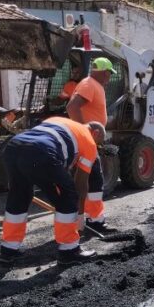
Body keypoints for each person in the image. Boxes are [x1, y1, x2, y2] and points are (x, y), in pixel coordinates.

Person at [0, 117, 105, 266]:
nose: (97, 146)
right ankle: (69, 250)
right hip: (40, 151)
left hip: (13, 146)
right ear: (96, 133)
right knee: (69, 194)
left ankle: (8, 250)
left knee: (19, 195)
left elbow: (50, 176)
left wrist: (56, 197)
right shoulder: (89, 141)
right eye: (99, 142)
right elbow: (80, 184)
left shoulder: (59, 121)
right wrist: (79, 215)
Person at [67, 57, 115, 230]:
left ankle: (94, 219)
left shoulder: (94, 85)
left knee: (94, 180)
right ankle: (88, 221)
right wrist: (84, 131)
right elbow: (72, 107)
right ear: (103, 71)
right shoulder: (89, 84)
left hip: (90, 141)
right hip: (85, 141)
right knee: (90, 179)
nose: (110, 77)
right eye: (109, 73)